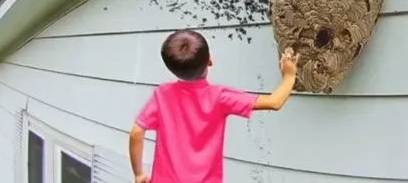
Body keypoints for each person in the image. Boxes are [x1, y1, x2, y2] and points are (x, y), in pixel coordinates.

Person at [128, 29, 298, 183]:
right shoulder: (219, 97)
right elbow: (274, 102)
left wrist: (139, 174)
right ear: (209, 61)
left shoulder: (162, 94)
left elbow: (137, 131)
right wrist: (289, 76)